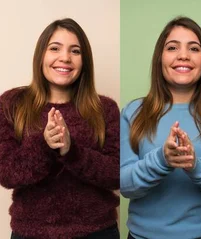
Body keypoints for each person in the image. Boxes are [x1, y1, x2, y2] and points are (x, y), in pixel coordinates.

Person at [120, 16, 201, 239]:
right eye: (172, 47)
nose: (183, 55)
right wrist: (162, 160)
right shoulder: (133, 113)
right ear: (160, 58)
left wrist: (196, 166)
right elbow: (125, 186)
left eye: (193, 48)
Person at [0, 18, 120, 238]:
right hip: (30, 233)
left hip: (97, 232)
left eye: (75, 51)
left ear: (85, 61)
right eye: (55, 48)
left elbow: (117, 174)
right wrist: (44, 145)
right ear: (41, 55)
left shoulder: (105, 109)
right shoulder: (12, 104)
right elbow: (6, 173)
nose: (65, 58)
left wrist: (71, 151)